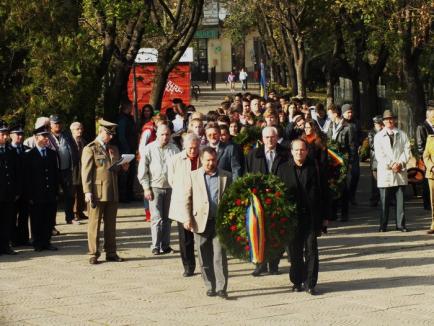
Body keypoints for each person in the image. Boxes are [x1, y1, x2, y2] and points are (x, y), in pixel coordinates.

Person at [277, 139, 328, 295]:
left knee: (311, 250)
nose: (299, 153)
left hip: (311, 217)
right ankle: (297, 281)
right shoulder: (283, 169)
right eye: (296, 150)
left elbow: (325, 193)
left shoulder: (316, 168)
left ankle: (310, 283)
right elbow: (277, 193)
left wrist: (326, 217)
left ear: (307, 151)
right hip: (292, 218)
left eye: (302, 150)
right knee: (295, 252)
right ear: (291, 152)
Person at [182, 147, 232, 299]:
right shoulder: (193, 176)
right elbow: (187, 199)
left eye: (213, 160)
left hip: (219, 222)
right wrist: (187, 218)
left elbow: (231, 199)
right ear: (201, 160)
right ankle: (210, 285)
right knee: (204, 256)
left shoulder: (226, 176)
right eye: (207, 160)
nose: (211, 163)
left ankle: (222, 287)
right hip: (200, 222)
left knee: (219, 256)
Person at [81, 120, 129, 264]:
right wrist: (87, 191)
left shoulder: (113, 148)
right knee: (94, 224)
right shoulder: (90, 148)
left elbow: (113, 169)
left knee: (111, 225)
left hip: (112, 191)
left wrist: (123, 167)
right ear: (101, 131)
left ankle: (111, 252)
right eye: (108, 134)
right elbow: (86, 172)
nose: (110, 137)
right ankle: (93, 253)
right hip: (97, 191)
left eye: (112, 134)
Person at [245, 126, 290, 276]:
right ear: (262, 139)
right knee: (259, 231)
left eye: (272, 137)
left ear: (277, 138)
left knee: (277, 232)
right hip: (259, 200)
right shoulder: (253, 155)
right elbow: (247, 176)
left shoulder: (286, 154)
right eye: (266, 137)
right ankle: (260, 264)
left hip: (279, 199)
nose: (269, 140)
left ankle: (274, 264)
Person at [137, 124, 180, 255]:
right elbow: (142, 171)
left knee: (168, 219)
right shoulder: (149, 149)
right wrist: (146, 188)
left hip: (170, 188)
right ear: (157, 135)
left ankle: (166, 245)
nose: (165, 137)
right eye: (162, 134)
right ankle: (155, 246)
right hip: (154, 187)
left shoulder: (174, 149)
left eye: (167, 134)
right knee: (156, 218)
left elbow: (179, 168)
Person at [168, 133, 200, 277]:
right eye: (190, 148)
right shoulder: (175, 160)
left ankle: (205, 264)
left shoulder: (203, 156)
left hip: (200, 201)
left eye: (195, 148)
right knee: (185, 238)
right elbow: (172, 180)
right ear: (184, 146)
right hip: (182, 201)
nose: (193, 151)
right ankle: (188, 266)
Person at [374, 110, 411, 232]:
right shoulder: (378, 136)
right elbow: (379, 155)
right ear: (383, 122)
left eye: (391, 119)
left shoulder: (402, 134)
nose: (389, 121)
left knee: (400, 201)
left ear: (394, 120)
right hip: (386, 172)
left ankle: (401, 225)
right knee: (384, 201)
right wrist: (391, 164)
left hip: (400, 171)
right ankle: (383, 225)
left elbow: (407, 151)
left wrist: (400, 163)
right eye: (386, 119)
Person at [25, 125, 59, 252]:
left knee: (49, 218)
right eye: (43, 136)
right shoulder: (30, 155)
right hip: (37, 194)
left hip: (50, 192)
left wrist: (56, 191)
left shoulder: (51, 154)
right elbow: (28, 178)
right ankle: (37, 242)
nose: (46, 139)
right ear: (36, 137)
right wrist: (30, 195)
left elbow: (55, 174)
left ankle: (47, 241)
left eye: (47, 136)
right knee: (37, 219)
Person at [49, 114, 78, 226]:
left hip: (66, 170)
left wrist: (74, 164)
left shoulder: (66, 135)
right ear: (51, 125)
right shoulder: (47, 136)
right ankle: (52, 221)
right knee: (53, 196)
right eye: (55, 123)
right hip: (53, 171)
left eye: (59, 123)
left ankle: (69, 217)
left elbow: (73, 149)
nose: (58, 125)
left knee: (69, 195)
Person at [327, 105, 355, 221]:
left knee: (343, 187)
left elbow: (352, 146)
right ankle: (333, 213)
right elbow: (328, 141)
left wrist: (350, 163)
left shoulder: (348, 127)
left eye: (329, 114)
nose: (329, 117)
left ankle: (344, 214)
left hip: (343, 160)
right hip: (332, 160)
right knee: (333, 185)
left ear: (335, 114)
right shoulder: (331, 125)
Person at [9, 124, 30, 247]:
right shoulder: (7, 149)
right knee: (11, 216)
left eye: (22, 134)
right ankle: (12, 238)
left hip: (25, 189)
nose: (20, 136)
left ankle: (23, 239)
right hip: (12, 189)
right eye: (17, 134)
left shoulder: (27, 149)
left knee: (24, 215)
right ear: (11, 135)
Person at [0, 121, 20, 255]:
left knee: (7, 220)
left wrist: (16, 190)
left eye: (6, 134)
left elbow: (15, 172)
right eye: (2, 134)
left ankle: (5, 245)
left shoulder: (10, 150)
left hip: (8, 192)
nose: (5, 137)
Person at [117, 101, 138, 203]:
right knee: (125, 174)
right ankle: (123, 196)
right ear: (128, 107)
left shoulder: (128, 118)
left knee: (130, 173)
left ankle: (129, 195)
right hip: (126, 151)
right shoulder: (123, 119)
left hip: (131, 150)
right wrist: (126, 150)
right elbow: (121, 136)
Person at [342, 104, 361, 205]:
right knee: (343, 177)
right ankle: (343, 197)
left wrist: (360, 145)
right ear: (343, 113)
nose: (350, 114)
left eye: (351, 112)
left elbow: (360, 134)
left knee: (355, 174)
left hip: (354, 152)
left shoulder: (356, 122)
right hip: (343, 153)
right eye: (348, 112)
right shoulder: (341, 122)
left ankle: (351, 195)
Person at [416, 106, 434, 210]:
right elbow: (420, 146)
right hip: (426, 160)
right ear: (429, 114)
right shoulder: (421, 126)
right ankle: (427, 205)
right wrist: (425, 160)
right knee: (427, 183)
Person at [70, 122, 88, 221]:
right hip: (73, 169)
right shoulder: (69, 142)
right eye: (77, 129)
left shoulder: (83, 141)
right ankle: (74, 212)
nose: (80, 131)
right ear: (72, 130)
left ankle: (80, 211)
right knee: (74, 192)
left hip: (83, 168)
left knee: (82, 191)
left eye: (81, 128)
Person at [367, 116, 384, 207]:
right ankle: (374, 199)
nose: (380, 126)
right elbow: (372, 145)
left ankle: (387, 199)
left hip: (384, 160)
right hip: (375, 160)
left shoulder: (384, 131)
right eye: (378, 124)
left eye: (381, 124)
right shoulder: (371, 133)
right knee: (375, 181)